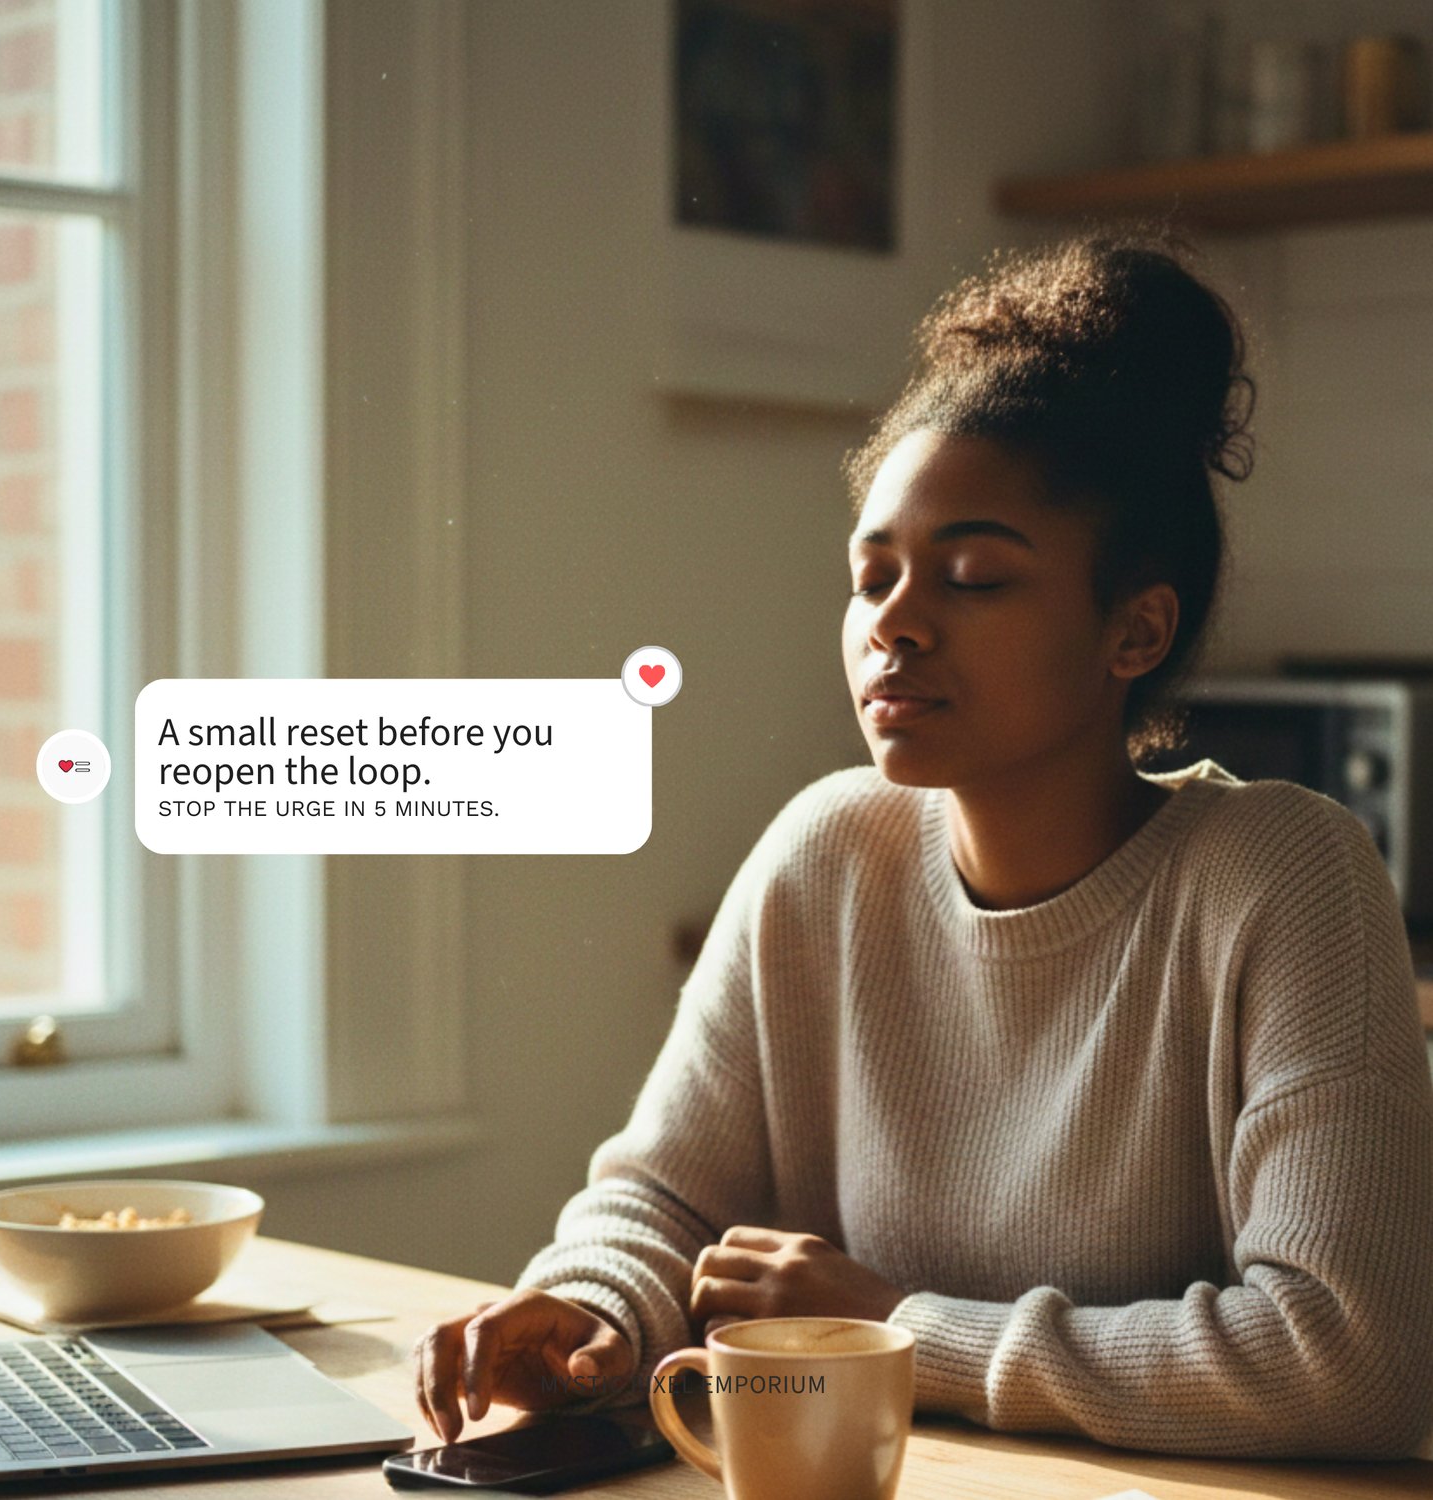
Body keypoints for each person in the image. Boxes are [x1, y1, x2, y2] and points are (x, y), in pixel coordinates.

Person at [414, 228, 1433, 1460]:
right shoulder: (825, 852)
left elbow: (1351, 1358)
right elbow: (663, 1197)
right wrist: (591, 1311)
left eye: (973, 579)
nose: (894, 624)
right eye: (874, 574)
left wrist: (900, 1328)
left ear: (1135, 629)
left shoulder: (1286, 879)